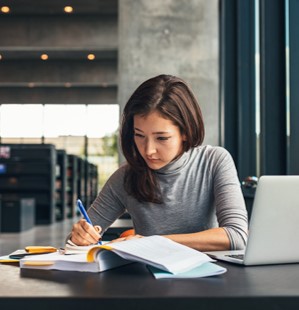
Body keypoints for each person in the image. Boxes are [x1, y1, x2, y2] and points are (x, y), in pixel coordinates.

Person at [70, 74, 248, 251]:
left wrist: (151, 242)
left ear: (185, 131)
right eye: (139, 135)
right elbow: (73, 245)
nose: (148, 150)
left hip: (209, 275)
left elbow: (237, 236)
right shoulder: (125, 177)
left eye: (161, 138)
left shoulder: (214, 161)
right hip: (148, 277)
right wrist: (79, 237)